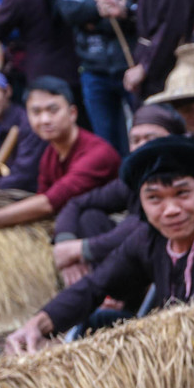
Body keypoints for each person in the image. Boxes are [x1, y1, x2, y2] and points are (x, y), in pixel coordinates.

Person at [6, 135, 194, 353]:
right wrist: (37, 324)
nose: (171, 210)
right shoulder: (148, 238)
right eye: (155, 198)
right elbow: (96, 285)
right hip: (171, 343)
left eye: (182, 193)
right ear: (141, 204)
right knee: (97, 322)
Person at [0, 76, 121, 250]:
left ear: (72, 113)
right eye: (36, 112)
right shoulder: (50, 153)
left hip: (108, 231)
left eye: (53, 110)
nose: (44, 120)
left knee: (89, 219)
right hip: (67, 222)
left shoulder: (97, 153)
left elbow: (48, 203)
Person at [53, 103, 185, 287]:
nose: (141, 146)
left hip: (167, 264)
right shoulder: (134, 177)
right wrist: (65, 243)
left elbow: (144, 225)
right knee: (90, 217)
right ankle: (108, 290)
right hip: (126, 264)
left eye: (150, 138)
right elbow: (76, 202)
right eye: (135, 140)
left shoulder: (186, 176)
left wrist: (81, 249)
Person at [57, 0, 134, 157]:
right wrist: (99, 8)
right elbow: (67, 10)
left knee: (139, 130)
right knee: (104, 140)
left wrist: (120, 11)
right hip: (93, 68)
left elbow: (140, 7)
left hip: (130, 64)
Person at [95, 0, 194, 100]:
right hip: (151, 70)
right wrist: (125, 10)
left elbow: (174, 25)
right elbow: (155, 13)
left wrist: (145, 67)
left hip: (169, 75)